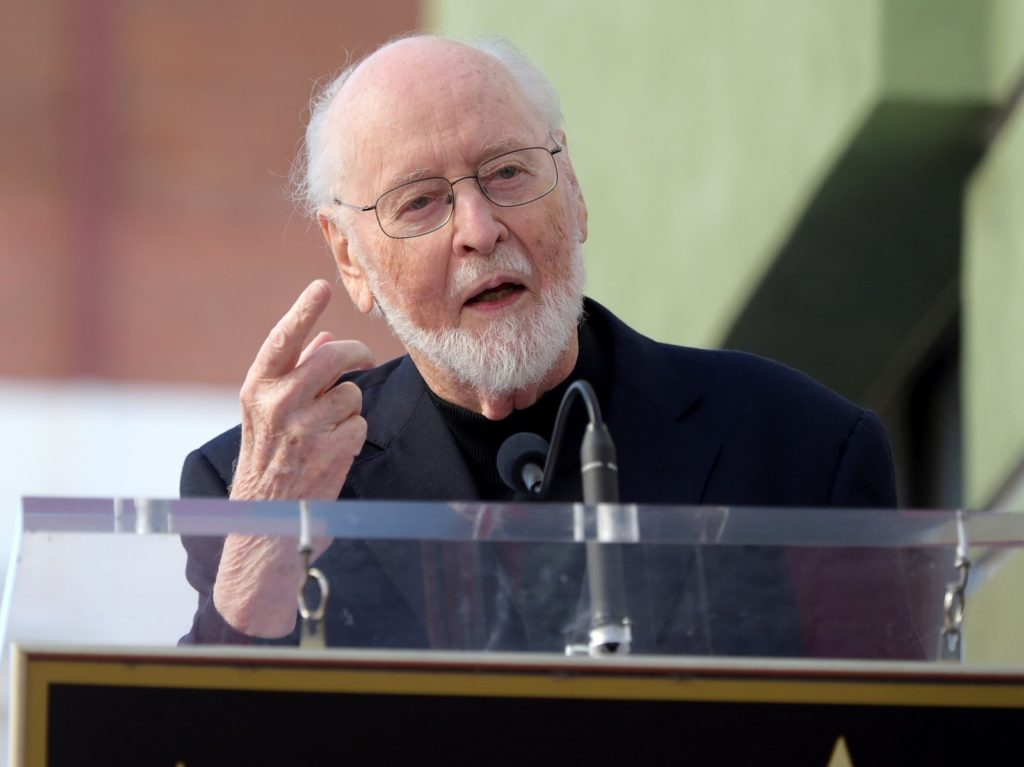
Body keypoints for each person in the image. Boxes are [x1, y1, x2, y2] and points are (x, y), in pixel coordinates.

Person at [181, 35, 911, 656]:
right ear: (348, 258)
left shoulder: (804, 449)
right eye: (421, 202)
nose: (479, 228)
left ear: (573, 187)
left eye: (507, 172)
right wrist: (258, 556)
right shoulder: (262, 492)